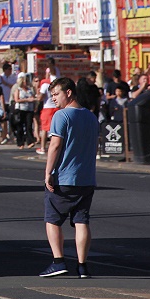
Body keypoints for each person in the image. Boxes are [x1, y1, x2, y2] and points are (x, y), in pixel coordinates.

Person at [40, 77, 100, 278]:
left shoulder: (61, 116)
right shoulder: (91, 117)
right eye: (51, 95)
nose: (53, 99)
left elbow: (55, 146)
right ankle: (82, 266)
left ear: (68, 93)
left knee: (52, 220)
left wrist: (48, 172)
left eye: (56, 94)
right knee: (82, 221)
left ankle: (58, 261)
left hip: (64, 178)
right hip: (86, 178)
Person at [0, 63, 17, 146]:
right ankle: (3, 137)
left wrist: (6, 83)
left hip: (10, 101)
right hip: (2, 102)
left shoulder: (14, 77)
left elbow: (14, 87)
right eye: (9, 69)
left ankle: (10, 135)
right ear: (5, 70)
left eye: (11, 69)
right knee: (3, 120)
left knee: (11, 119)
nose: (10, 71)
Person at [37, 67, 57, 155]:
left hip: (47, 108)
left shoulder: (45, 85)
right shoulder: (57, 84)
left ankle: (42, 148)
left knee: (45, 128)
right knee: (55, 129)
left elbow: (40, 97)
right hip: (56, 107)